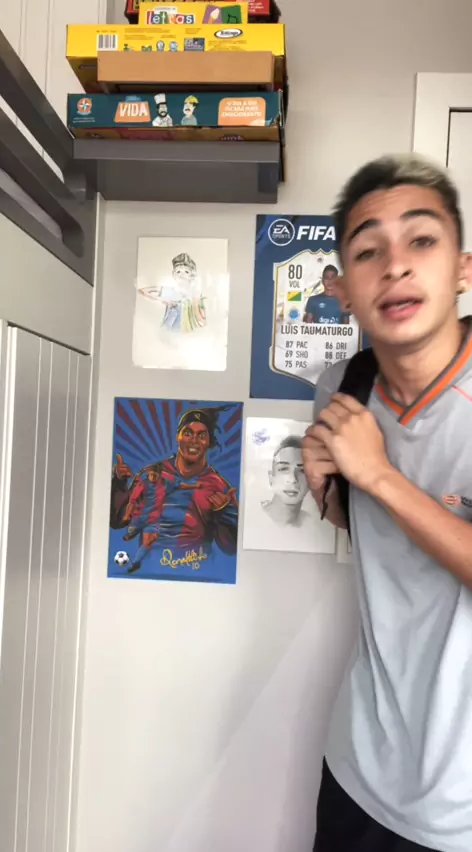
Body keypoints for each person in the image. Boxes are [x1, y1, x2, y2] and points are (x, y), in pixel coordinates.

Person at [302, 154, 472, 852]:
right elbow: (375, 534)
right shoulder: (342, 387)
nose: (396, 265)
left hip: (461, 801)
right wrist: (330, 493)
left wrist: (376, 475)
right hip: (358, 768)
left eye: (421, 240)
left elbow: (380, 489)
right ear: (343, 289)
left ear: (462, 268)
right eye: (369, 250)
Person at [110, 407, 238, 573]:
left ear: (209, 442)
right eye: (188, 433)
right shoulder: (152, 474)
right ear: (178, 436)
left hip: (196, 572)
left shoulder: (219, 486)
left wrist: (223, 514)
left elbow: (231, 548)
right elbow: (118, 520)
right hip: (149, 573)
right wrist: (118, 482)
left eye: (201, 435)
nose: (194, 440)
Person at [262, 436, 309, 527]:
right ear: (271, 477)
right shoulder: (253, 518)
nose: (293, 479)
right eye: (283, 469)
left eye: (302, 471)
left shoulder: (313, 524)